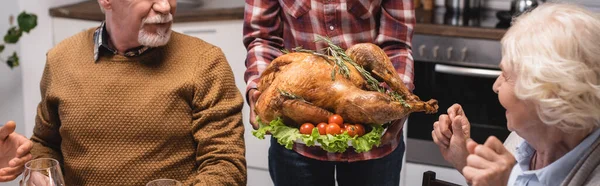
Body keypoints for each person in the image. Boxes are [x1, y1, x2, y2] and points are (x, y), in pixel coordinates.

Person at [0, 0, 247, 185]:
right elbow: (46, 142)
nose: (164, 6)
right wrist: (33, 164)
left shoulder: (205, 62)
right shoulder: (60, 59)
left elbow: (226, 165)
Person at [243, 0, 415, 185]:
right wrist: (260, 89)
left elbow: (396, 44)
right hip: (298, 135)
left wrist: (395, 102)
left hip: (372, 138)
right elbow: (262, 37)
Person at [432, 3, 600, 186]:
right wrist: (465, 158)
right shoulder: (527, 135)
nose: (496, 86)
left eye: (505, 75)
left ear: (547, 96)